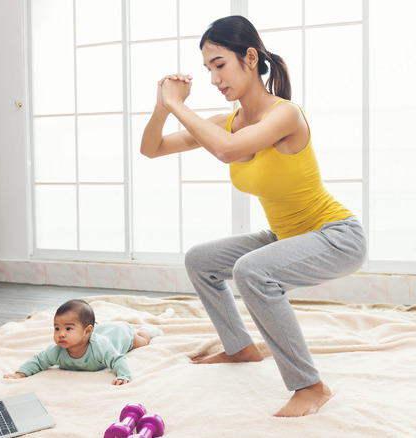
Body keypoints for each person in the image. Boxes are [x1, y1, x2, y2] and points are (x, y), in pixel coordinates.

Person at [140, 15, 367, 417]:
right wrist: (163, 104)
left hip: (336, 236)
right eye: (208, 68)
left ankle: (310, 386)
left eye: (219, 64)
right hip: (286, 237)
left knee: (251, 271)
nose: (213, 78)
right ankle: (240, 348)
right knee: (200, 259)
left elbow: (228, 150)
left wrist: (178, 104)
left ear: (249, 58)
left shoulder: (286, 114)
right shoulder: (227, 122)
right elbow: (152, 148)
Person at [3, 299, 162, 385]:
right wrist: (21, 373)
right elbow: (39, 360)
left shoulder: (100, 346)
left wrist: (124, 376)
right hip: (97, 330)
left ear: (87, 332)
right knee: (95, 328)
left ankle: (147, 330)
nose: (61, 334)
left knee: (142, 342)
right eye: (57, 328)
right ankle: (96, 326)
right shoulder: (57, 351)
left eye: (68, 329)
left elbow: (118, 359)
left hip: (120, 334)